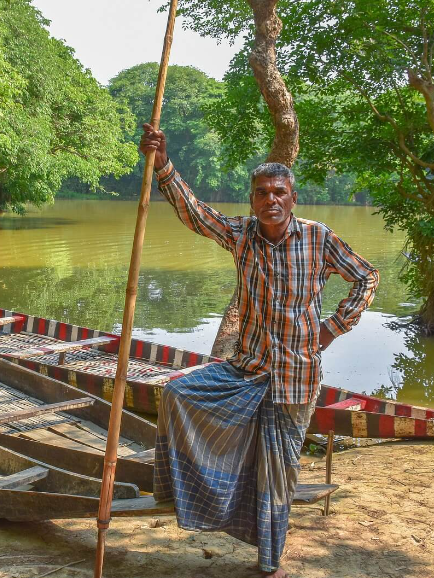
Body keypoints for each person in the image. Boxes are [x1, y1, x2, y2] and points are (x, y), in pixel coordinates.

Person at [140, 124, 379, 577]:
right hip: (245, 370)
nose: (271, 200)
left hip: (295, 379)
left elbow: (367, 276)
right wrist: (163, 164)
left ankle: (270, 565)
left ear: (293, 198)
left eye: (279, 192)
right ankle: (186, 492)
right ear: (251, 200)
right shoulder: (241, 234)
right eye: (262, 193)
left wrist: (333, 327)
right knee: (176, 393)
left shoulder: (318, 238)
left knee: (278, 474)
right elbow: (195, 214)